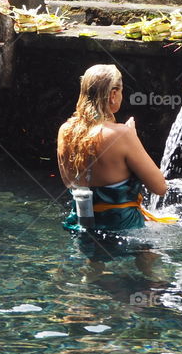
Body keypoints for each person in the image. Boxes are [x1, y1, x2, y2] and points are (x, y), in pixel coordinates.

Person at [57, 64, 173, 232]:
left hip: (80, 225)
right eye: (121, 91)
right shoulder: (121, 135)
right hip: (123, 228)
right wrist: (132, 137)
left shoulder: (65, 130)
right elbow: (160, 187)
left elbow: (69, 182)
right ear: (113, 94)